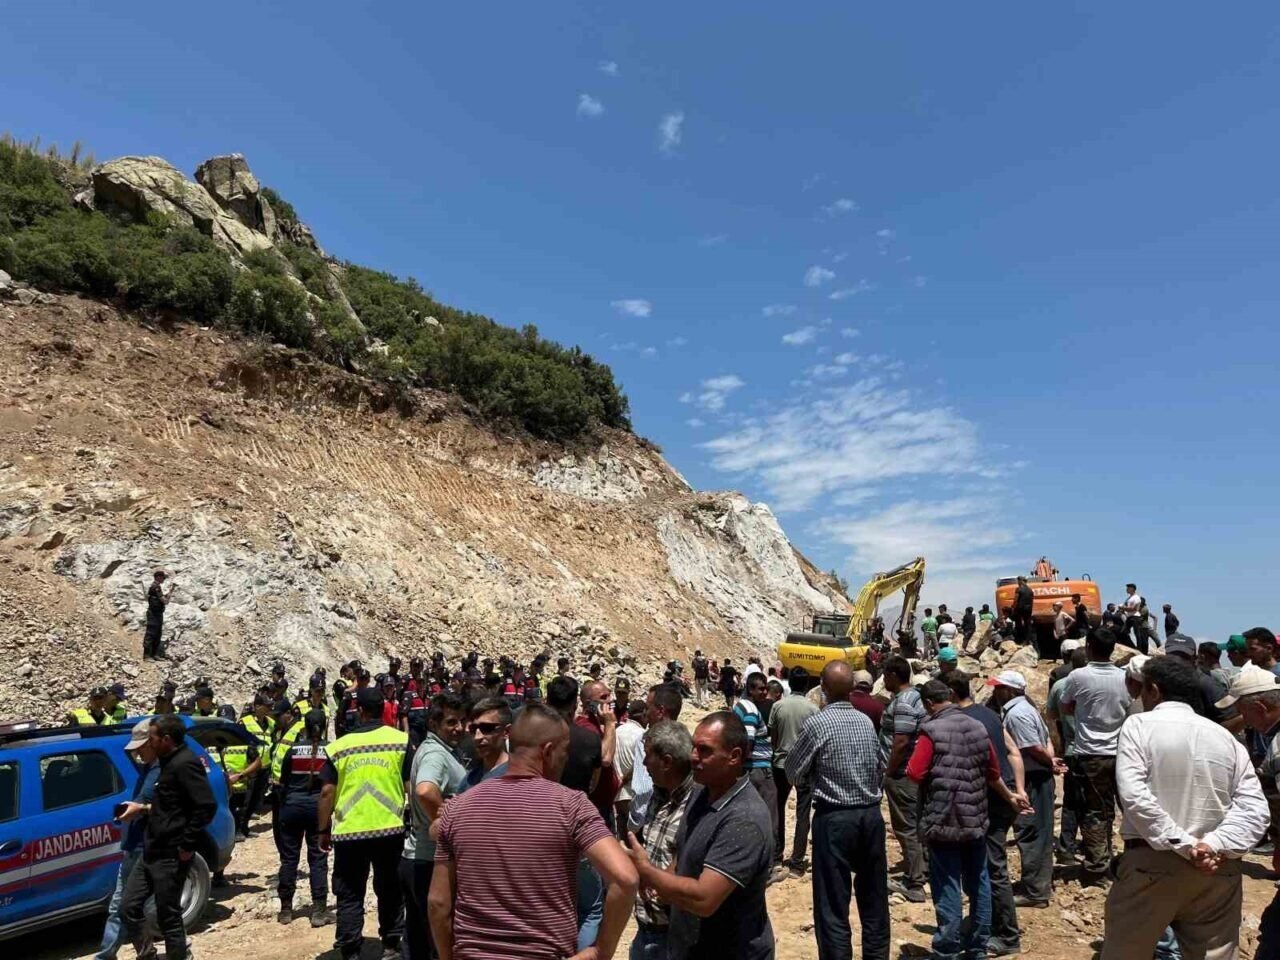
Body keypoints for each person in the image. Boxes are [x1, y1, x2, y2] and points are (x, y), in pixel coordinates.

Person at [429, 704, 639, 960]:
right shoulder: (571, 805)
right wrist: (600, 951)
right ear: (548, 751)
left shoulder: (458, 807)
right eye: (564, 751)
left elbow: (438, 903)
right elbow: (625, 878)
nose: (565, 759)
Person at [1101, 656, 1268, 959]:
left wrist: (1187, 845)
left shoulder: (1138, 726)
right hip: (1218, 869)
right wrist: (1213, 844)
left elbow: (1135, 796)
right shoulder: (1225, 738)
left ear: (1153, 690)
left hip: (1153, 865)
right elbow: (1255, 810)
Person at [629, 711, 775, 960]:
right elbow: (683, 849)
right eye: (694, 747)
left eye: (705, 750)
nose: (693, 756)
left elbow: (704, 899)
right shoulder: (700, 792)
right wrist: (663, 883)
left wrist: (647, 872)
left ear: (734, 756)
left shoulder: (744, 819)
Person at [907, 680, 1031, 960]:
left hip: (942, 820)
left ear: (929, 704)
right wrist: (1010, 796)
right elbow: (993, 770)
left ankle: (947, 949)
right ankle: (977, 946)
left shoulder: (931, 730)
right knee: (979, 882)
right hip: (975, 818)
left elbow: (915, 773)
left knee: (948, 885)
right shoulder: (978, 727)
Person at [786, 662, 887, 960]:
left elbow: (792, 771)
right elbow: (879, 766)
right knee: (874, 899)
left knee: (832, 902)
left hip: (834, 818)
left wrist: (812, 777)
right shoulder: (865, 722)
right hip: (870, 815)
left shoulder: (817, 724)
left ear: (824, 688)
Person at [316, 687, 411, 960]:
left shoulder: (339, 746)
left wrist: (323, 830)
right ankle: (391, 944)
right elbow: (410, 785)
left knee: (349, 893)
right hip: (389, 829)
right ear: (384, 709)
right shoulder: (400, 741)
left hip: (350, 832)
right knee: (390, 888)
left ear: (359, 711)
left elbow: (327, 792)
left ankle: (350, 949)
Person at [945, 670, 1027, 958]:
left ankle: (1006, 935)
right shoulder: (990, 714)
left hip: (992, 799)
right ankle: (985, 921)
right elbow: (1013, 750)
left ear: (951, 694)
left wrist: (1008, 794)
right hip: (1004, 796)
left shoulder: (965, 721)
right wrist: (1020, 789)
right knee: (984, 864)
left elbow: (987, 770)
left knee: (992, 868)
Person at [121, 715, 217, 960]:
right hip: (151, 849)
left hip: (171, 853)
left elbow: (206, 806)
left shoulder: (185, 763)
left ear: (166, 739)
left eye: (152, 738)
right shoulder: (164, 763)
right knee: (128, 907)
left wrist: (187, 845)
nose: (149, 742)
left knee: (168, 915)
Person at [1058, 627, 1130, 886]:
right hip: (1121, 753)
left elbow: (1066, 706)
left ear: (1088, 646)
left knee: (1094, 811)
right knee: (1119, 809)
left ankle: (1097, 868)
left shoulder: (1079, 676)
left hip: (1089, 754)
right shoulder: (1124, 677)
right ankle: (1123, 861)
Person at [401, 693, 468, 960]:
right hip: (429, 860)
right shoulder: (435, 754)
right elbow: (425, 790)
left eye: (461, 721)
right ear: (433, 723)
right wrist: (445, 826)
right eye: (451, 722)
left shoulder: (438, 749)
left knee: (418, 938)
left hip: (417, 857)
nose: (459, 728)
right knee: (438, 941)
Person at [987, 670, 1060, 908]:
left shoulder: (1017, 713)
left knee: (1032, 832)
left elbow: (1033, 747)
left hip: (1033, 778)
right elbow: (1045, 742)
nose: (995, 692)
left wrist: (1049, 762)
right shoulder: (1026, 708)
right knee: (1035, 831)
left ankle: (1035, 892)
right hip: (1036, 774)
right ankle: (1035, 885)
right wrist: (1051, 760)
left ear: (1010, 690)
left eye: (999, 688)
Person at [628, 720, 695, 960]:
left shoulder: (697, 805)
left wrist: (652, 876)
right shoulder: (658, 793)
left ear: (666, 762)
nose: (644, 763)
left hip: (673, 936)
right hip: (647, 927)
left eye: (648, 756)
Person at [95, 720, 160, 960]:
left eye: (141, 747)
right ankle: (108, 955)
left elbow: (172, 807)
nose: (137, 753)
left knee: (134, 906)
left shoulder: (163, 771)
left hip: (147, 848)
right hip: (134, 846)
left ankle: (173, 951)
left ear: (153, 742)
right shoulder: (148, 769)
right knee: (123, 906)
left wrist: (140, 809)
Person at [274, 709, 335, 926]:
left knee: (289, 859)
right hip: (318, 810)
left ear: (305, 727)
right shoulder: (331, 750)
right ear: (324, 726)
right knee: (318, 859)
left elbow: (282, 781)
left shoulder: (293, 751)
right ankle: (319, 911)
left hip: (291, 808)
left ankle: (285, 910)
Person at [881, 655, 927, 903]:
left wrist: (889, 770)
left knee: (905, 827)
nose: (883, 680)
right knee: (915, 823)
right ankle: (921, 869)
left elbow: (901, 741)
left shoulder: (904, 702)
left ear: (893, 675)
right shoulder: (913, 697)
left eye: (885, 675)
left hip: (901, 773)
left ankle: (914, 882)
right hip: (910, 770)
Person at [770, 667, 819, 877]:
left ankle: (776, 857)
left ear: (789, 683)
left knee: (777, 810)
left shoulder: (778, 706)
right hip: (804, 767)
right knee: (803, 814)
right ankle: (797, 862)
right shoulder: (813, 709)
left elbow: (773, 737)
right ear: (807, 685)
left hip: (780, 764)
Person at [734, 672, 781, 880]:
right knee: (769, 818)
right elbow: (749, 741)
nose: (764, 692)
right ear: (750, 689)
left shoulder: (739, 706)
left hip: (749, 769)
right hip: (758, 769)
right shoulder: (751, 710)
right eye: (760, 689)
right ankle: (766, 867)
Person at [1045, 647, 1088, 865]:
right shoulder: (1104, 684)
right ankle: (1096, 846)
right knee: (1098, 802)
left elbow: (1051, 715)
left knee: (1071, 801)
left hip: (1072, 748)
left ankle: (1066, 847)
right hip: (1102, 750)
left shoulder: (1061, 685)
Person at [628, 682, 684, 832]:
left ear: (660, 711)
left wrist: (634, 826)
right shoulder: (685, 741)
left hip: (646, 824)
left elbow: (643, 790)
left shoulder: (646, 740)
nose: (645, 713)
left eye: (648, 708)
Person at [614, 698, 647, 838]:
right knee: (636, 839)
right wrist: (625, 778)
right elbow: (642, 763)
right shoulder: (642, 734)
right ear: (644, 715)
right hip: (634, 794)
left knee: (621, 837)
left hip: (617, 793)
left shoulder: (617, 731)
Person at [464, 696, 511, 787]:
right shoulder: (469, 780)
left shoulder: (517, 777)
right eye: (473, 729)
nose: (477, 737)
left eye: (487, 728)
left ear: (506, 732)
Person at [144, 570, 174, 658]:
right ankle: (147, 655)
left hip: (157, 613)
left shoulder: (157, 587)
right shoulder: (155, 587)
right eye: (163, 577)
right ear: (158, 577)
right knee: (151, 633)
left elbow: (161, 598)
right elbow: (164, 601)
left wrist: (169, 593)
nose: (163, 579)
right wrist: (169, 594)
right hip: (153, 614)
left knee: (157, 633)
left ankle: (154, 654)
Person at [1121, 582, 1150, 654]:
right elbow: (1126, 606)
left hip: (1135, 617)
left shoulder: (1136, 598)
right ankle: (1132, 647)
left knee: (1137, 634)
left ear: (1132, 589)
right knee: (1123, 633)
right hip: (1130, 617)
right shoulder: (1129, 598)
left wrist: (1123, 608)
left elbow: (1133, 609)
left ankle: (1139, 650)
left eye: (1128, 588)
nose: (1126, 589)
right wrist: (1123, 608)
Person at [1012, 577, 1034, 650]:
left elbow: (1016, 600)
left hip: (1020, 608)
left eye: (1018, 581)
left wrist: (1013, 607)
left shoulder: (1019, 589)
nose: (1017, 583)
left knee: (1018, 624)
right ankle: (1028, 640)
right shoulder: (1030, 590)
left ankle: (1020, 639)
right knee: (1027, 625)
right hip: (1028, 609)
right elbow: (1031, 600)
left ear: (1020, 581)